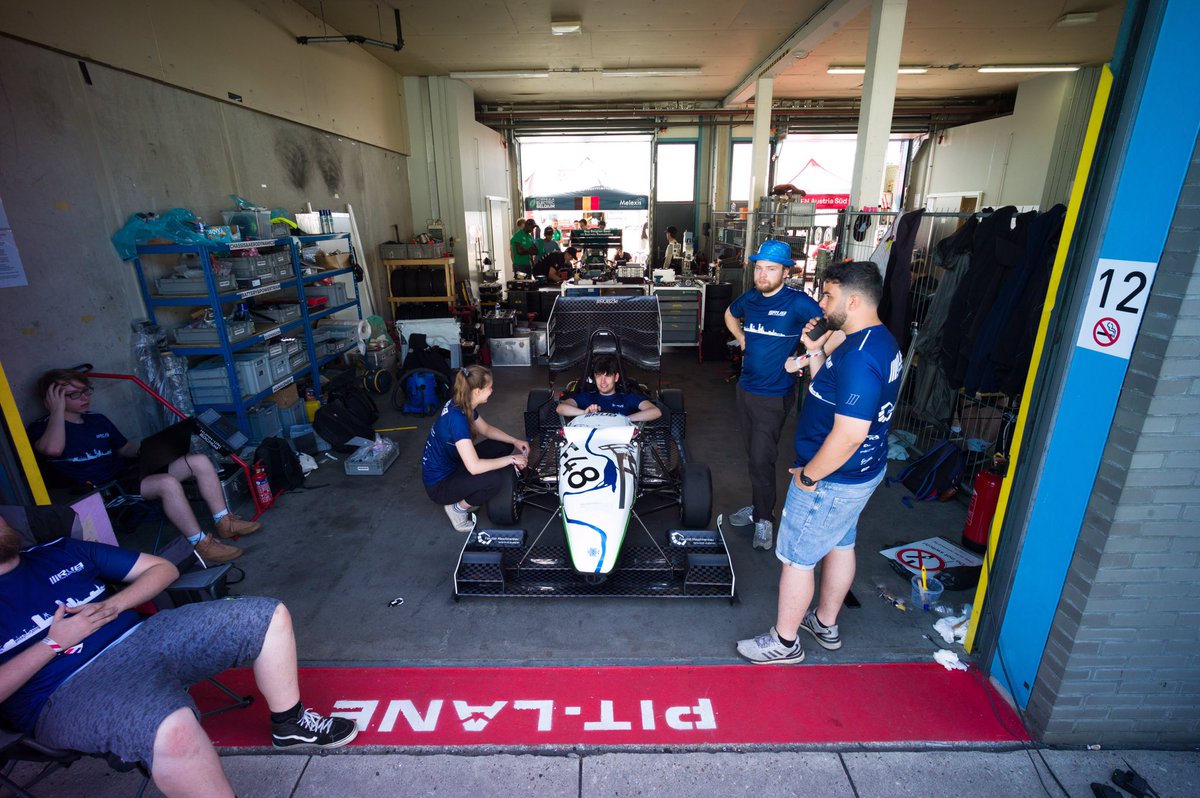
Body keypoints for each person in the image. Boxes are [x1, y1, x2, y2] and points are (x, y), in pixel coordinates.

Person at [0, 513, 357, 798]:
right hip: (63, 691)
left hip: (142, 635)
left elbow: (163, 568)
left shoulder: (60, 551)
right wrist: (53, 643)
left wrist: (112, 606)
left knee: (265, 615)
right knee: (174, 730)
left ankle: (290, 725)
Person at [736, 261, 902, 665]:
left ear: (855, 300)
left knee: (796, 557)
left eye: (829, 296)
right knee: (840, 543)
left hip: (833, 477)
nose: (822, 304)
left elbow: (848, 435)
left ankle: (785, 641)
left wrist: (810, 476)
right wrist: (811, 354)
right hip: (860, 473)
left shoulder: (861, 356)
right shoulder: (875, 341)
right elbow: (826, 390)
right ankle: (825, 622)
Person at [27, 369, 248, 563]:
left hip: (126, 476)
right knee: (167, 483)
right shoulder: (42, 428)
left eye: (86, 391)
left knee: (198, 460)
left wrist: (154, 449)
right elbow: (53, 450)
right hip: (100, 490)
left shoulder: (97, 420)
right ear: (52, 399)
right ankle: (201, 544)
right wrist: (56, 411)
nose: (85, 398)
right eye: (74, 394)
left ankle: (224, 521)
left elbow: (125, 449)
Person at [723, 240, 825, 552]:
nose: (763, 274)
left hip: (774, 395)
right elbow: (730, 313)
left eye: (770, 268)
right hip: (746, 389)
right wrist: (740, 337)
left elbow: (832, 330)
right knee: (754, 457)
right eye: (759, 267)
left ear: (785, 271)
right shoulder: (751, 298)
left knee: (761, 458)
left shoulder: (798, 302)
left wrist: (806, 359)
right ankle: (758, 508)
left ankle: (764, 519)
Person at [421, 366, 530, 532]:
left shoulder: (462, 403)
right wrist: (511, 459)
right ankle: (457, 509)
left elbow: (486, 430)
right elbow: (474, 467)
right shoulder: (457, 419)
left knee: (504, 444)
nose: (492, 390)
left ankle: (467, 492)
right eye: (490, 387)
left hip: (454, 464)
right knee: (493, 481)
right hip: (440, 486)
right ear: (478, 391)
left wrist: (515, 441)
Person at [556, 355, 663, 423]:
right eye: (599, 376)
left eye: (607, 376)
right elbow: (560, 408)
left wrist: (625, 419)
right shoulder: (587, 397)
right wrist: (584, 413)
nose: (602, 381)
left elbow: (655, 411)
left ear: (616, 378)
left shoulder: (627, 398)